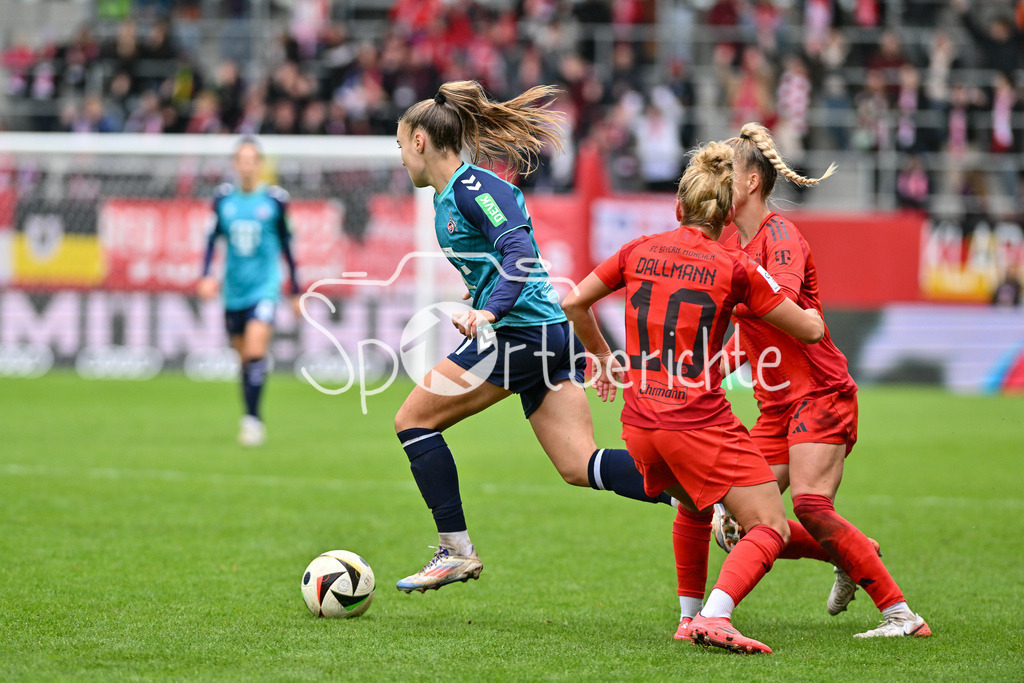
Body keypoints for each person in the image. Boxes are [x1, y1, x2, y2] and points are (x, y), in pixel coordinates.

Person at [392, 80, 675, 594]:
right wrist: (477, 296)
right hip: (545, 334)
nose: (400, 160)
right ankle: (694, 496)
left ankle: (454, 550)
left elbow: (520, 254)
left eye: (399, 146)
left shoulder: (475, 189)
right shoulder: (448, 200)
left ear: (419, 141)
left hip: (523, 334)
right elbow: (502, 262)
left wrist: (490, 313)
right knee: (578, 464)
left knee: (413, 421)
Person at [562, 141, 825, 654]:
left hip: (639, 424)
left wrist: (604, 357)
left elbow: (574, 300)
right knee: (768, 524)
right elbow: (810, 331)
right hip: (696, 420)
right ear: (728, 215)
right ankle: (717, 615)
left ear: (678, 207)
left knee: (695, 506)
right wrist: (808, 300)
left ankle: (688, 619)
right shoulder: (734, 266)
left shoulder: (638, 249)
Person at [713, 122, 931, 639]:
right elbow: (749, 333)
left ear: (750, 183)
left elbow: (780, 308)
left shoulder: (782, 238)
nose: (719, 182)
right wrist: (705, 375)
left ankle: (902, 616)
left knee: (809, 504)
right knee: (742, 516)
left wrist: (729, 290)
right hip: (776, 405)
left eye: (727, 172)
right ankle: (854, 553)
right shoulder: (730, 239)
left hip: (819, 392)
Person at [197, 137, 301, 447]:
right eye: (241, 159)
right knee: (244, 359)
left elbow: (287, 247)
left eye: (251, 159)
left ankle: (253, 421)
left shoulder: (274, 200)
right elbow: (210, 240)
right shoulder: (222, 200)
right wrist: (205, 276)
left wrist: (295, 290)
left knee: (256, 352)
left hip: (264, 287)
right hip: (233, 289)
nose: (246, 165)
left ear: (259, 164)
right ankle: (250, 414)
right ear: (234, 164)